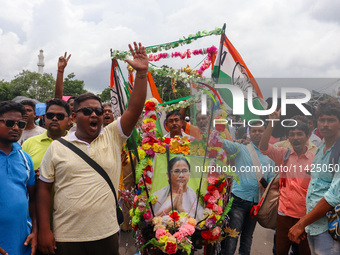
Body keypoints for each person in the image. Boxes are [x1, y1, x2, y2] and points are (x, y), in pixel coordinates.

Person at [37, 42, 148, 255]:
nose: (95, 114)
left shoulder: (113, 137)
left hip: (105, 234)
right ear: (73, 117)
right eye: (87, 111)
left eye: (98, 110)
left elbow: (134, 108)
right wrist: (44, 229)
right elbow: (43, 189)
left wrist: (141, 74)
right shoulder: (58, 147)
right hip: (66, 236)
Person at [289, 99, 340, 255]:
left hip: (330, 227)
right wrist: (305, 222)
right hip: (315, 226)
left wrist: (301, 223)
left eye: (331, 120)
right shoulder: (322, 148)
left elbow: (333, 196)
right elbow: (314, 189)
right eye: (322, 120)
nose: (325, 124)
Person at [260, 110, 313, 255]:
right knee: (280, 251)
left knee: (304, 252)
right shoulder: (283, 154)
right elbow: (263, 147)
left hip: (304, 217)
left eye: (299, 134)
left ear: (307, 136)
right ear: (288, 137)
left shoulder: (315, 159)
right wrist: (272, 123)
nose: (295, 137)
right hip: (283, 214)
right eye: (292, 134)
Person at [220, 121, 275, 255]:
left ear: (266, 132)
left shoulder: (271, 154)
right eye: (254, 131)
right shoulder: (241, 147)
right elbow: (220, 142)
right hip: (238, 200)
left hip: (256, 204)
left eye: (260, 131)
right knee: (231, 237)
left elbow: (271, 181)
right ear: (249, 133)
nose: (257, 133)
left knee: (247, 238)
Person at [0, 101, 37, 255]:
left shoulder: (25, 158)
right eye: (10, 123)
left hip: (22, 243)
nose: (16, 128)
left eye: (20, 124)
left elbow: (33, 198)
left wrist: (35, 231)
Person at [22, 98, 70, 180]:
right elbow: (20, 172)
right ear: (44, 117)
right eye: (50, 115)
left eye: (60, 116)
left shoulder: (76, 143)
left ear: (69, 119)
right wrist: (33, 176)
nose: (54, 119)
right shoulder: (29, 143)